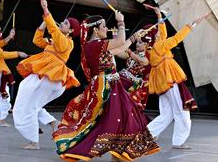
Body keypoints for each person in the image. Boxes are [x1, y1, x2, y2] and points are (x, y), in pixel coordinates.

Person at [52, 13, 160, 161]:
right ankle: (86, 151)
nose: (106, 28)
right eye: (103, 26)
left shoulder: (95, 46)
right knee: (111, 121)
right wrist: (121, 22)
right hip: (106, 87)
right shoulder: (94, 45)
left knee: (123, 118)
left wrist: (134, 37)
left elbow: (120, 48)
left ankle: (118, 154)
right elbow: (121, 41)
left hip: (112, 85)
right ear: (95, 30)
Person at [13, 0, 81, 150]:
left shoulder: (68, 43)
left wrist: (46, 11)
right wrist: (45, 21)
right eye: (62, 22)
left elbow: (56, 34)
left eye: (65, 23)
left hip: (52, 78)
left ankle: (34, 142)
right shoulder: (54, 41)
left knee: (29, 104)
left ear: (70, 31)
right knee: (32, 103)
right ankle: (53, 123)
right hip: (47, 78)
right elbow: (37, 40)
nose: (61, 23)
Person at [142, 6, 208, 149]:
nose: (161, 32)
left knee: (167, 114)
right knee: (181, 111)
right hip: (169, 80)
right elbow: (177, 38)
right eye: (158, 32)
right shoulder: (160, 45)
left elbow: (163, 33)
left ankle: (146, 135)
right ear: (155, 36)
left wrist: (159, 16)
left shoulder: (152, 48)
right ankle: (178, 141)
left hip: (162, 83)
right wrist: (191, 25)